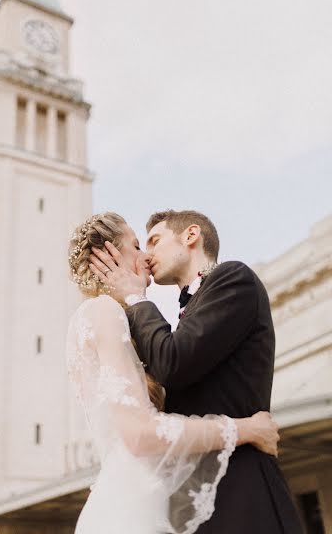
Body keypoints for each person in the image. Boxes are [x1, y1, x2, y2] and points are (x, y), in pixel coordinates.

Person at [89, 209, 304, 534]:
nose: (146, 255)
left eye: (155, 241)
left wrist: (135, 297)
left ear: (191, 236)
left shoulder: (233, 278)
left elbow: (173, 363)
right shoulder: (185, 317)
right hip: (200, 498)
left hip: (244, 493)